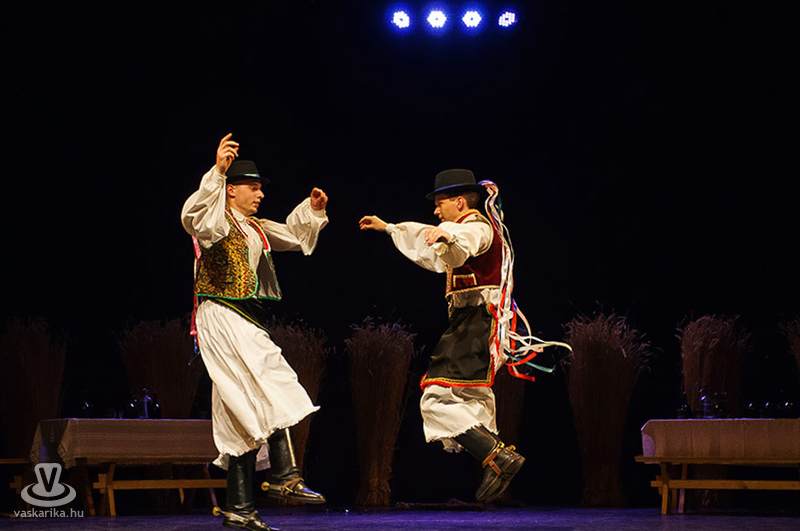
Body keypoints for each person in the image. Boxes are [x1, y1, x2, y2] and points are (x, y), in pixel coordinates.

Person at [182, 133, 328, 531]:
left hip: (245, 315)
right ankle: (284, 474)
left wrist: (312, 211)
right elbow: (192, 216)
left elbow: (295, 237)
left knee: (240, 409)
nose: (260, 194)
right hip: (220, 312)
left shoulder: (255, 227)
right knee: (271, 376)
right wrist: (217, 171)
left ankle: (240, 509)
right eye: (253, 187)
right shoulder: (215, 222)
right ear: (231, 191)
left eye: (261, 188)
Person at [359, 169, 526, 503]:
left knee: (435, 397)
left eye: (440, 204)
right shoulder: (459, 227)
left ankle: (497, 455)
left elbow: (463, 241)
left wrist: (447, 236)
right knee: (469, 398)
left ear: (459, 202)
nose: (436, 211)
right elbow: (426, 240)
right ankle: (495, 459)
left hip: (478, 321)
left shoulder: (476, 227)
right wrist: (389, 227)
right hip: (471, 321)